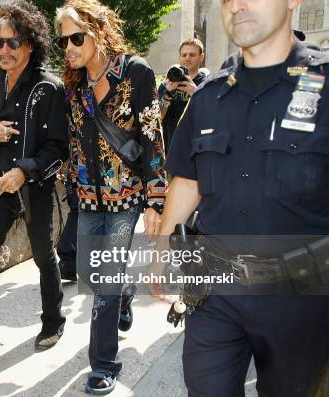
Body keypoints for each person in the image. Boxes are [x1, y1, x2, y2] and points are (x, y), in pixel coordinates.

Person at [156, 0, 329, 396]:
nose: (238, 5)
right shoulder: (208, 96)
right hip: (216, 292)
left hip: (301, 298)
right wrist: (161, 251)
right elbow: (186, 179)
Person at [55, 0, 167, 393]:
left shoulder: (135, 72)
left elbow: (152, 134)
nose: (68, 47)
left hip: (127, 195)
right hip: (87, 197)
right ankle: (123, 296)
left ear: (98, 32)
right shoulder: (71, 83)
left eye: (75, 37)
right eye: (63, 40)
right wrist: (70, 186)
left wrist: (156, 198)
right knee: (91, 276)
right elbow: (70, 140)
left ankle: (103, 363)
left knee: (104, 279)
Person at [0, 0, 68, 364]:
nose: (4, 49)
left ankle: (53, 322)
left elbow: (58, 147)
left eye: (12, 42)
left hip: (33, 186)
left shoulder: (49, 88)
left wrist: (26, 169)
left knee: (42, 255)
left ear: (30, 44)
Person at [158, 38, 208, 156]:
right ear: (179, 57)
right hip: (170, 147)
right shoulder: (167, 83)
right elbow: (157, 118)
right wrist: (167, 95)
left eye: (192, 55)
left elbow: (212, 116)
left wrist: (196, 94)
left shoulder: (208, 84)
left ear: (201, 57)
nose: (187, 58)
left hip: (196, 149)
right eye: (184, 55)